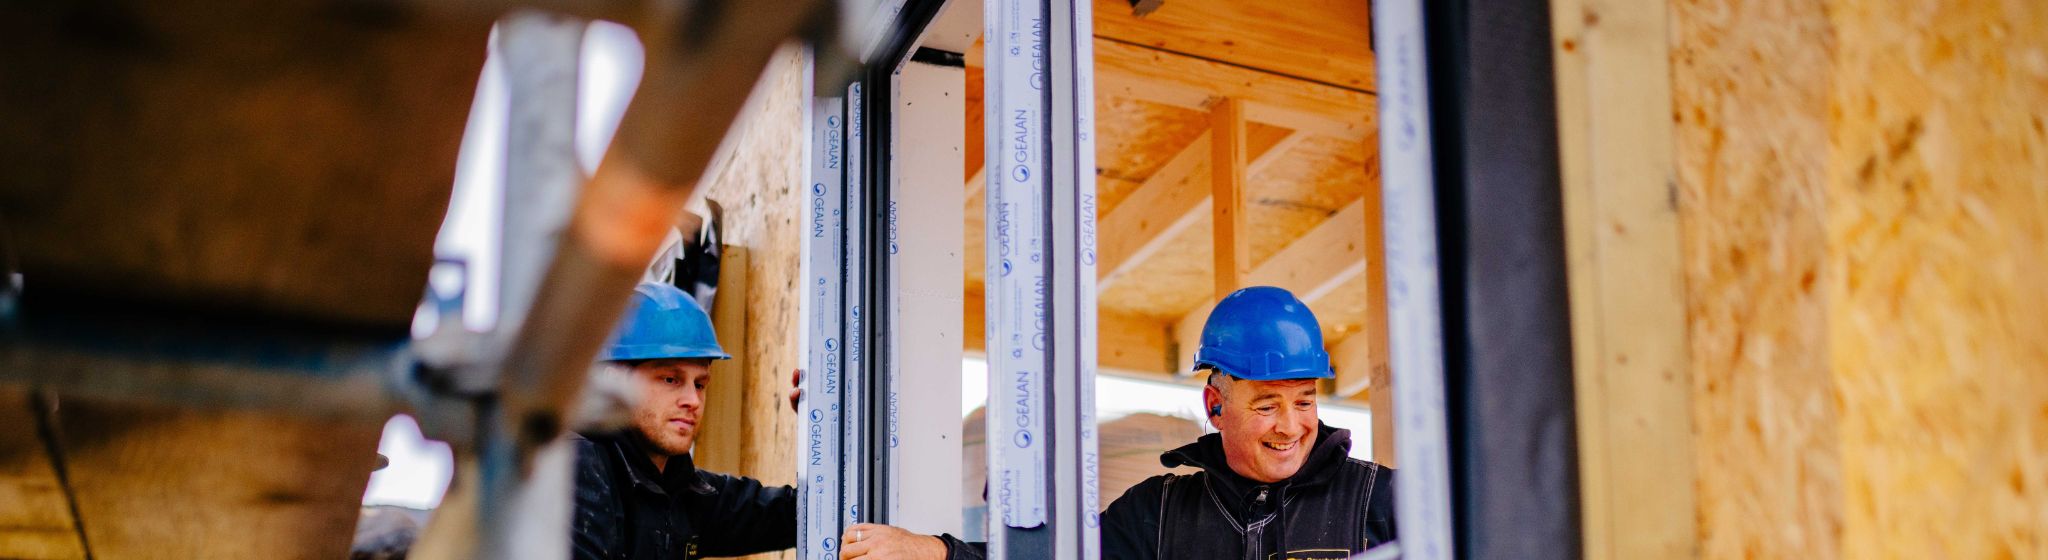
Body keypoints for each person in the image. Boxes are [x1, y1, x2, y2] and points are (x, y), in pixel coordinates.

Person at [838, 286, 1396, 559]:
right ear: (1215, 405)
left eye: (1304, 401)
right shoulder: (1158, 516)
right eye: (1267, 405)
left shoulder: (1383, 501)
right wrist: (933, 551)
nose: (1292, 427)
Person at [571, 282, 797, 560]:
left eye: (700, 384)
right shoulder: (576, 466)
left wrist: (816, 427)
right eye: (670, 379)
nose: (693, 400)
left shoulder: (679, 488)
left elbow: (792, 514)